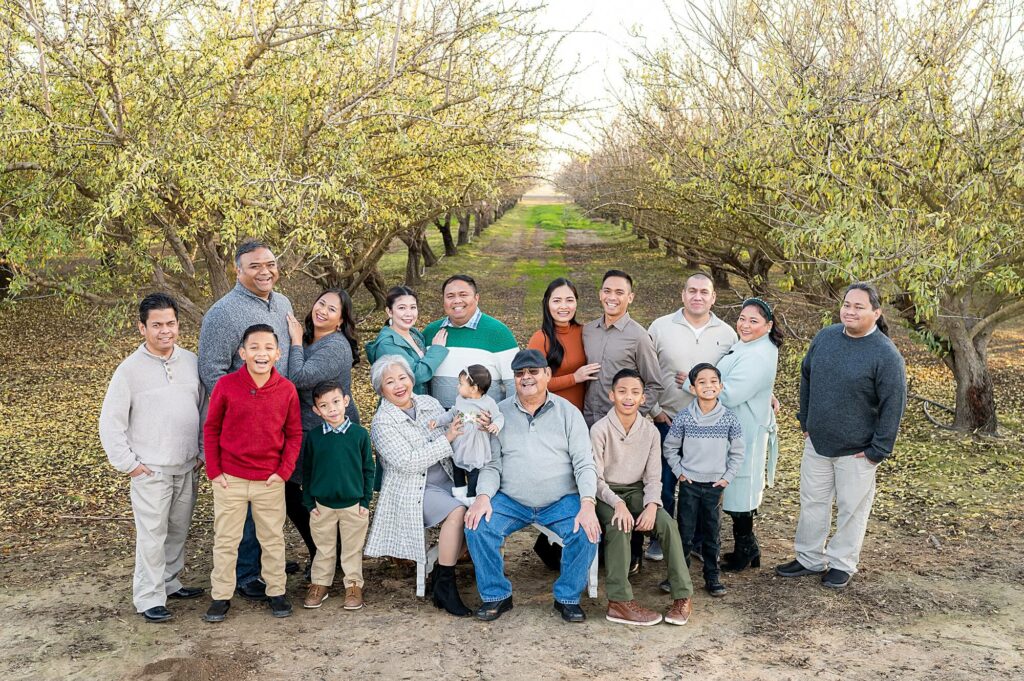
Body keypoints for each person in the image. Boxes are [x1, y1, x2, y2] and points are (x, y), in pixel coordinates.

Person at [776, 282, 907, 589]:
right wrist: (805, 419)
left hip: (858, 450)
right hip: (818, 443)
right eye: (846, 304)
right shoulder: (826, 337)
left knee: (851, 509)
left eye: (859, 306)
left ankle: (841, 563)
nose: (850, 311)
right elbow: (806, 376)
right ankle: (809, 558)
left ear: (876, 312)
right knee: (813, 503)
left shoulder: (886, 355)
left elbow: (894, 405)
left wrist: (878, 450)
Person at [464, 349, 601, 623]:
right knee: (477, 525)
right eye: (519, 373)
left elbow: (584, 464)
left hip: (560, 501)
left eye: (533, 372)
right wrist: (482, 496)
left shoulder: (568, 413)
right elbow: (492, 465)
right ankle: (496, 595)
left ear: (548, 375)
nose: (526, 378)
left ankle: (567, 598)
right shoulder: (499, 413)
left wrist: (588, 503)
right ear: (514, 379)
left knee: (588, 531)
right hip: (511, 500)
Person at [197, 239, 296, 601]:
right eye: (255, 266)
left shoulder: (282, 303)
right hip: (241, 424)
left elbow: (282, 354)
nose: (265, 271)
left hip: (276, 416)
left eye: (270, 263)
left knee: (269, 501)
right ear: (238, 271)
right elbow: (211, 368)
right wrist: (246, 404)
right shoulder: (223, 313)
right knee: (244, 509)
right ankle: (247, 573)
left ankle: (268, 564)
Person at [99, 293, 206, 623]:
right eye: (156, 325)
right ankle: (148, 597)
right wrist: (130, 464)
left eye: (171, 324)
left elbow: (203, 410)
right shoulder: (129, 371)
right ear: (142, 327)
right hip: (150, 469)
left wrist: (201, 451)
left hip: (187, 465)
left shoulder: (190, 361)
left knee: (178, 529)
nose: (165, 331)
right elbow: (110, 422)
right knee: (152, 534)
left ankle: (171, 583)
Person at [201, 324, 303, 622]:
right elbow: (211, 428)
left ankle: (276, 592)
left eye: (268, 347)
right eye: (255, 347)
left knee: (272, 539)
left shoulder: (286, 390)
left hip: (269, 480)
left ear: (278, 353)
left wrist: (283, 472)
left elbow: (294, 434)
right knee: (226, 540)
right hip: (230, 479)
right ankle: (221, 596)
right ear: (242, 352)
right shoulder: (226, 386)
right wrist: (215, 470)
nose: (262, 353)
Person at [363, 355, 471, 617]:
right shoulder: (382, 422)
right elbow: (408, 462)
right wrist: (446, 439)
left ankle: (439, 568)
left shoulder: (429, 403)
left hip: (449, 479)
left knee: (482, 510)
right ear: (381, 390)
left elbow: (457, 430)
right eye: (390, 382)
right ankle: (446, 584)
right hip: (414, 489)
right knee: (458, 512)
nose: (399, 385)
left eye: (402, 378)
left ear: (411, 379)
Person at [644, 272, 737, 562]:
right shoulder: (660, 327)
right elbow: (647, 370)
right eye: (692, 291)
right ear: (683, 294)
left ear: (713, 297)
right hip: (668, 420)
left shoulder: (727, 333)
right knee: (666, 484)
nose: (698, 297)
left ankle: (697, 541)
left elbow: (736, 373)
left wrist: (767, 395)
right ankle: (661, 538)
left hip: (708, 426)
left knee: (702, 487)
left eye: (704, 292)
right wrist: (655, 410)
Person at [591, 369, 693, 627]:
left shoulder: (650, 431)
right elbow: (595, 479)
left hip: (638, 490)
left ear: (643, 398)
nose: (628, 397)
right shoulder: (600, 429)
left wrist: (651, 506)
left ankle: (682, 595)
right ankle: (619, 602)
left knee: (666, 523)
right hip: (606, 494)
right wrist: (618, 504)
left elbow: (653, 477)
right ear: (611, 394)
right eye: (622, 391)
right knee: (619, 524)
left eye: (635, 392)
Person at [284, 288, 361, 575]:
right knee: (296, 492)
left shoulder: (335, 346)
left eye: (332, 309)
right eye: (321, 303)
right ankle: (323, 553)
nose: (323, 311)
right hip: (306, 427)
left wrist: (293, 342)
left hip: (329, 429)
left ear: (341, 320)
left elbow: (298, 377)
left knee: (320, 496)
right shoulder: (309, 338)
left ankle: (333, 558)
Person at [662, 363, 744, 597]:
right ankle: (679, 575)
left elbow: (738, 452)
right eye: (701, 382)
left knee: (711, 532)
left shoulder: (729, 418)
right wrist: (679, 472)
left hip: (715, 486)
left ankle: (712, 576)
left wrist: (727, 478)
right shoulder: (684, 417)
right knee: (684, 532)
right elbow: (670, 447)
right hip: (689, 484)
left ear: (721, 385)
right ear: (692, 387)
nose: (708, 386)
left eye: (713, 381)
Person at [715, 298, 783, 572]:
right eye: (742, 318)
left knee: (740, 491)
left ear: (767, 326)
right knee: (737, 489)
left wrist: (692, 381)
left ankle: (746, 548)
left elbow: (731, 394)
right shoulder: (748, 344)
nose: (744, 324)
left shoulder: (760, 353)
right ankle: (747, 545)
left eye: (753, 321)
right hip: (736, 428)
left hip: (747, 430)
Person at [301, 382, 374, 611]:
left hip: (353, 505)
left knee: (352, 548)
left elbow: (368, 469)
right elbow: (308, 470)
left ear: (346, 401)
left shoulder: (359, 435)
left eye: (335, 402)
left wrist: (365, 501)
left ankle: (353, 585)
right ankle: (320, 584)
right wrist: (309, 501)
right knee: (324, 548)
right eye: (324, 405)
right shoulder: (314, 437)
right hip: (322, 506)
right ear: (317, 410)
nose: (331, 409)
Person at [582, 270, 663, 429]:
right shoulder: (587, 331)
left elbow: (654, 385)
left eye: (619, 292)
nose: (612, 297)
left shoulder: (639, 337)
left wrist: (631, 417)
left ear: (630, 297)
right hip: (585, 422)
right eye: (607, 291)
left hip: (619, 427)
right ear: (600, 294)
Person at [423, 274, 517, 408]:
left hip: (485, 422)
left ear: (476, 298)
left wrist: (503, 421)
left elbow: (513, 384)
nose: (456, 301)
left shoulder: (499, 332)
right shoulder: (430, 332)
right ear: (443, 301)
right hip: (438, 422)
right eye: (450, 296)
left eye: (463, 294)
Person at [429, 365, 504, 499]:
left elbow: (499, 416)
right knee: (457, 466)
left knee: (473, 471)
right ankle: (459, 493)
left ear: (474, 388)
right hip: (460, 441)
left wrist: (495, 425)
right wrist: (438, 421)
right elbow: (452, 413)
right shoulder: (460, 399)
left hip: (475, 445)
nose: (457, 387)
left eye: (461, 384)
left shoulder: (488, 403)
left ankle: (471, 497)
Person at [527, 278, 599, 411]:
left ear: (576, 303)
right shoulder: (540, 339)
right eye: (557, 301)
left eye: (569, 300)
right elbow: (532, 383)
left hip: (584, 416)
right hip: (552, 415)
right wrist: (574, 378)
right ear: (547, 304)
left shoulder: (585, 332)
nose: (564, 306)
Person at [364, 285, 449, 394]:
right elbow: (414, 376)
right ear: (389, 311)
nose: (409, 313)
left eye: (413, 307)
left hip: (422, 403)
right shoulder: (387, 344)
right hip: (402, 406)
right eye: (402, 308)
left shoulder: (414, 333)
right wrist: (437, 350)